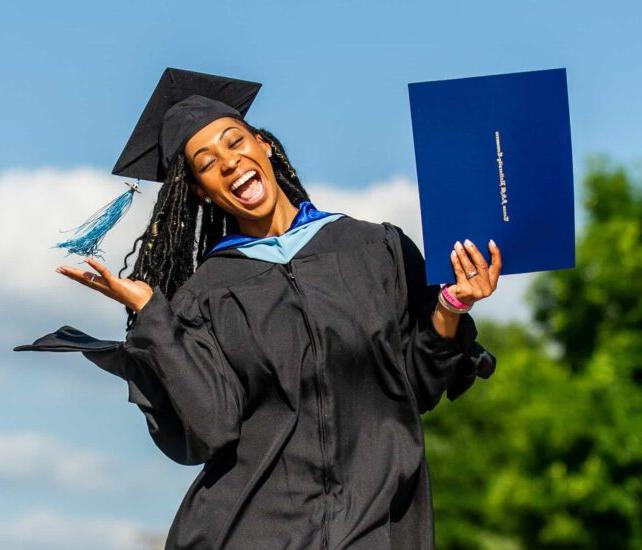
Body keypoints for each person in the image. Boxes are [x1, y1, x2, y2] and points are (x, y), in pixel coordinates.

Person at [14, 68, 501, 550]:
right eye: (206, 162)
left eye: (235, 141)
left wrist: (453, 304)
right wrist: (153, 318)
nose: (229, 162)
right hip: (256, 529)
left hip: (377, 523)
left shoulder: (374, 248)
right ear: (200, 190)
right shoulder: (206, 294)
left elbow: (416, 385)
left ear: (264, 145)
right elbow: (212, 428)